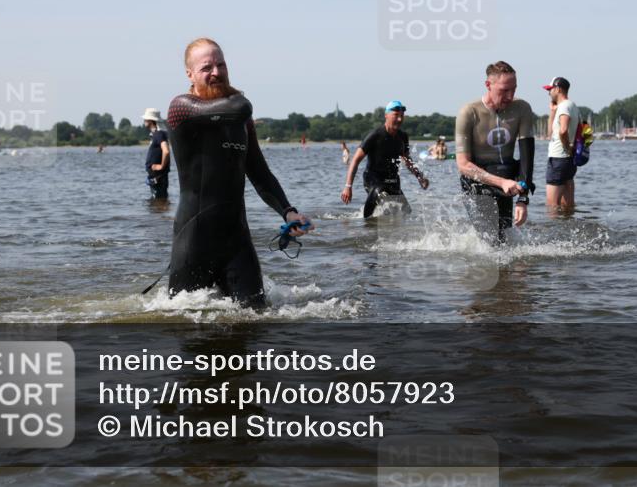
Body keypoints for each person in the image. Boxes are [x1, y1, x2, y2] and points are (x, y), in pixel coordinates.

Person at [165, 38, 312, 308]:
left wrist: (288, 211)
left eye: (221, 64)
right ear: (189, 74)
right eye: (206, 67)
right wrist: (236, 96)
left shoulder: (240, 120)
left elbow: (259, 172)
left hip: (236, 239)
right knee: (185, 325)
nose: (217, 72)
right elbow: (240, 106)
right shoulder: (181, 109)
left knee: (257, 317)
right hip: (194, 240)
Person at [455, 61, 536, 243]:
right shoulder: (469, 112)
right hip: (477, 180)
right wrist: (501, 182)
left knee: (504, 239)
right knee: (489, 241)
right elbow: (463, 165)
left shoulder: (522, 108)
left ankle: (509, 272)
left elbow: (527, 156)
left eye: (513, 89)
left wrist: (523, 199)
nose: (510, 96)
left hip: (507, 176)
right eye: (504, 90)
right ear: (488, 85)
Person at [342, 101, 429, 217]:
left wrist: (420, 177)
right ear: (386, 115)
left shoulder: (403, 137)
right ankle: (366, 224)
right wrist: (348, 187)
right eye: (396, 115)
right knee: (379, 192)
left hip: (392, 180)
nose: (399, 119)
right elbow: (356, 160)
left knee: (406, 212)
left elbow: (407, 159)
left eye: (401, 116)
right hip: (372, 179)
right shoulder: (375, 136)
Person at [543, 76, 580, 210]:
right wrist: (552, 112)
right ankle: (568, 229)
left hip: (559, 158)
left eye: (550, 89)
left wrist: (566, 146)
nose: (548, 93)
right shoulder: (572, 106)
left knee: (552, 206)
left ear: (558, 89)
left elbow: (563, 130)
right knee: (567, 206)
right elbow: (550, 133)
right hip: (568, 160)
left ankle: (552, 230)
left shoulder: (564, 107)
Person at [142, 107, 171, 200]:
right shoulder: (157, 134)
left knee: (159, 201)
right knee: (158, 203)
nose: (144, 120)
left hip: (158, 177)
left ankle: (161, 213)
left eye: (145, 119)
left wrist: (161, 166)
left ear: (151, 121)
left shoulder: (159, 134)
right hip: (157, 177)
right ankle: (161, 213)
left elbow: (166, 151)